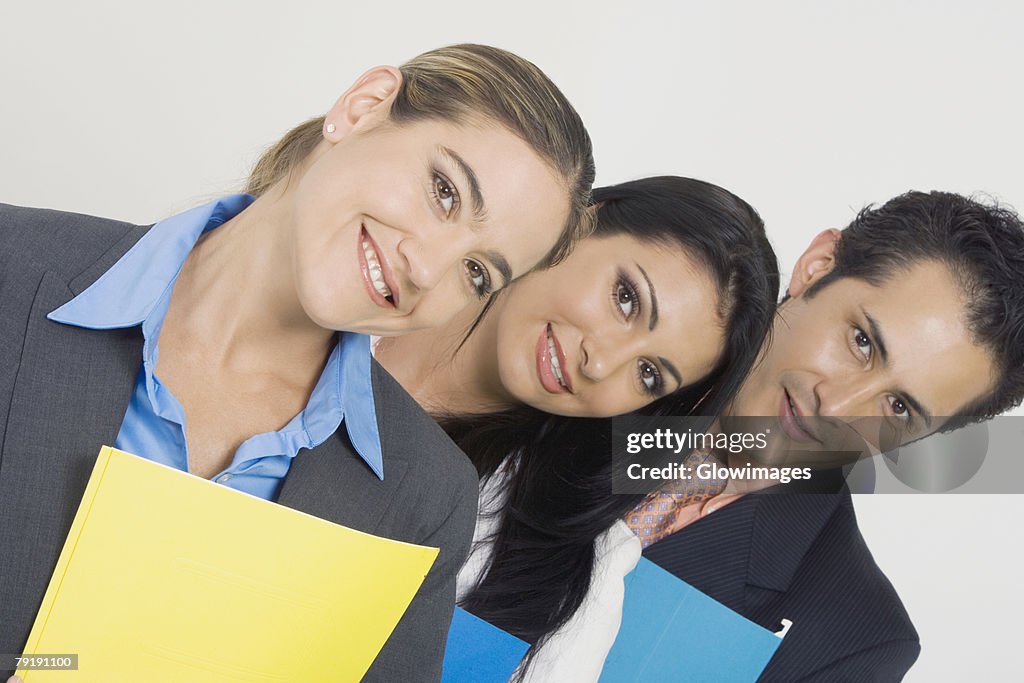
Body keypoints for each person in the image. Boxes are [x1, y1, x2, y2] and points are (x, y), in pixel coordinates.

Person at [0, 44, 595, 682]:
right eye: (444, 192)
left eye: (477, 272)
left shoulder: (424, 497)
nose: (427, 267)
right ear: (363, 109)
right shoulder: (13, 263)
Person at [471, 189, 1024, 682]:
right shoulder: (574, 355)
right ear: (817, 265)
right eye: (861, 342)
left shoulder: (854, 642)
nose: (836, 406)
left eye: (899, 407)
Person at [374, 176, 781, 671]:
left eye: (649, 374)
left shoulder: (572, 581)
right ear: (584, 220)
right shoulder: (345, 292)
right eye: (626, 299)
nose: (600, 362)